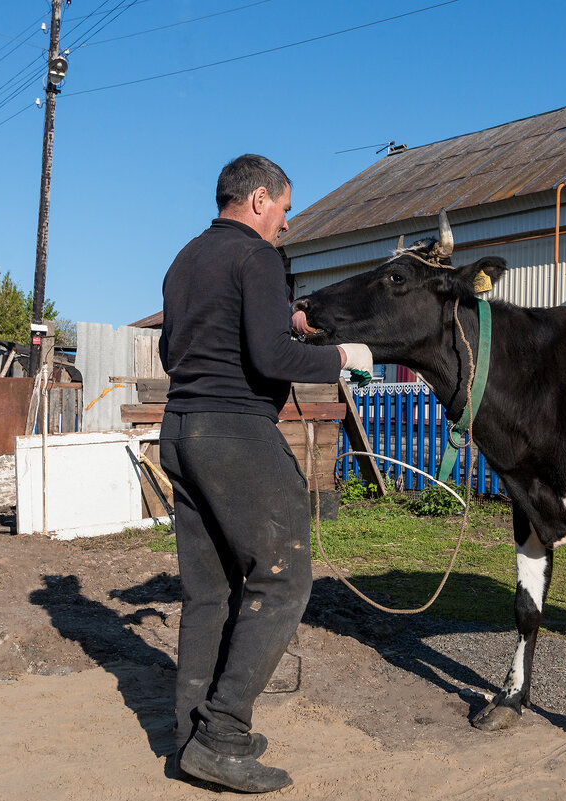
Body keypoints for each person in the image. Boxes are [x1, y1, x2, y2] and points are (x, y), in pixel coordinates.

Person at [158, 154, 371, 793]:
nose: (285, 222)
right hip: (235, 434)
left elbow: (179, 351)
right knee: (281, 580)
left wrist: (287, 320)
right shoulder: (257, 259)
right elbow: (268, 356)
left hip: (182, 429)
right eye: (283, 208)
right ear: (258, 200)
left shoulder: (187, 259)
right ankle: (222, 735)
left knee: (210, 592)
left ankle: (190, 735)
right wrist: (340, 355)